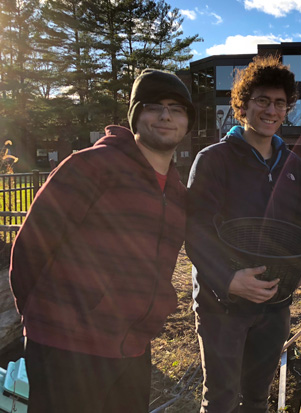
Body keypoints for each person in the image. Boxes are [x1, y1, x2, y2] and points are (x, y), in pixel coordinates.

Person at [9, 69, 194, 412]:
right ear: (136, 114)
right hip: (66, 350)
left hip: (133, 348)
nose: (166, 116)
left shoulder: (179, 192)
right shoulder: (91, 166)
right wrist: (44, 321)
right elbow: (30, 249)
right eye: (154, 106)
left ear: (187, 122)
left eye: (177, 109)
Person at [186, 55, 301, 413]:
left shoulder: (292, 167)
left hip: (275, 304)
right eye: (262, 100)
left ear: (287, 109)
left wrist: (297, 274)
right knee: (221, 398)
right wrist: (228, 279)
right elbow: (195, 230)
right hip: (222, 305)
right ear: (242, 104)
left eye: (280, 103)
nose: (271, 110)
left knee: (257, 397)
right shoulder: (214, 160)